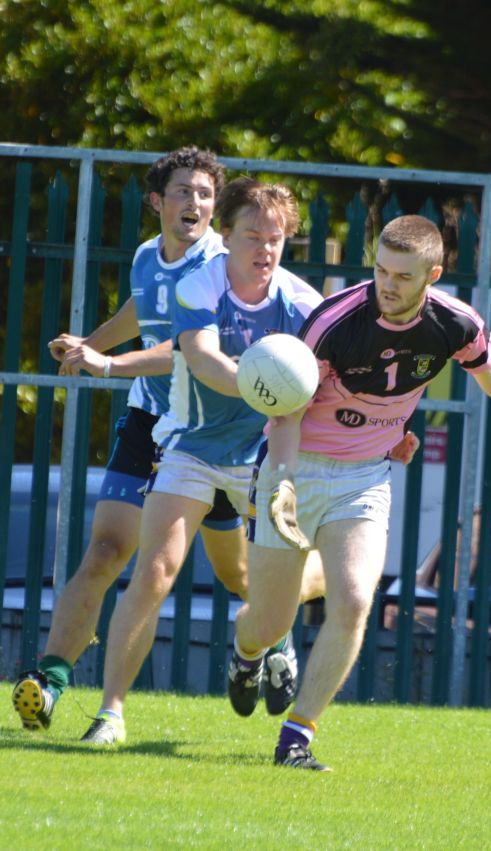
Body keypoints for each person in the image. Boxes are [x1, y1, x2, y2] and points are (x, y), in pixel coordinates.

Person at [229, 215, 491, 771]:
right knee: (268, 621)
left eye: (402, 276)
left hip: (365, 476)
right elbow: (289, 413)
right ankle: (248, 654)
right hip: (296, 468)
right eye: (379, 270)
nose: (386, 285)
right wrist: (285, 484)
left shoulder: (453, 322)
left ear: (432, 275)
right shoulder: (335, 320)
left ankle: (296, 739)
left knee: (356, 601)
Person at [11, 147, 257, 736]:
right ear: (157, 201)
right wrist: (88, 345)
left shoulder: (222, 267)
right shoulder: (148, 256)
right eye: (182, 191)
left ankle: (268, 637)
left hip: (206, 434)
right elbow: (143, 313)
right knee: (107, 553)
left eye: (203, 193)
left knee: (239, 577)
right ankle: (50, 681)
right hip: (149, 424)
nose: (194, 202)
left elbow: (186, 349)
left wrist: (108, 364)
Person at [80, 177, 325, 746]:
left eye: (276, 238)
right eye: (252, 236)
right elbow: (204, 360)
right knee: (154, 572)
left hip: (265, 456)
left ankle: (264, 642)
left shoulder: (303, 305)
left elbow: (320, 389)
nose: (264, 249)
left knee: (252, 580)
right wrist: (264, 380)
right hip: (191, 446)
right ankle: (110, 714)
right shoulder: (199, 287)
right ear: (228, 234)